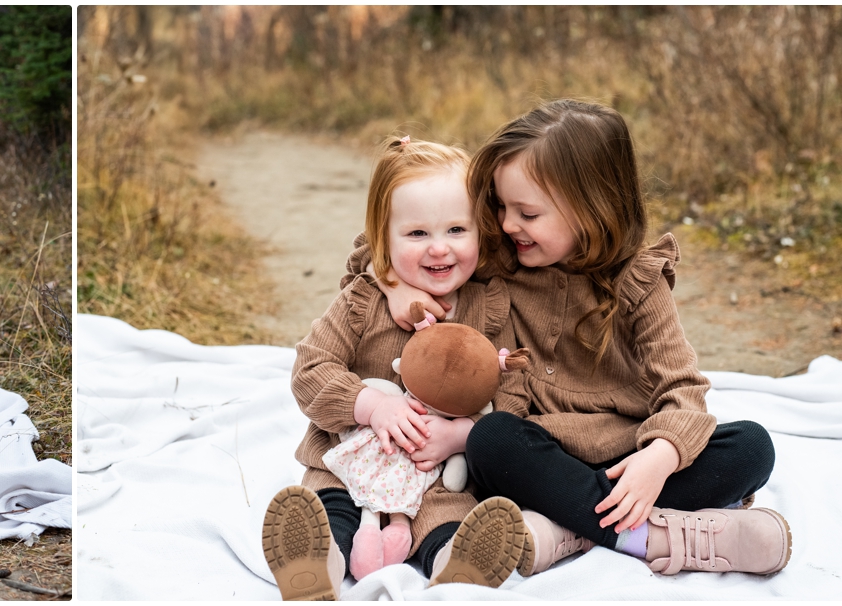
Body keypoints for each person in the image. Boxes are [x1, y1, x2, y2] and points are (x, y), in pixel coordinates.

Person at [380, 99, 788, 587]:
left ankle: (564, 528)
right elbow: (383, 242)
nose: (508, 224)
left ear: (592, 209)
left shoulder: (639, 282)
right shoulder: (504, 258)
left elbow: (682, 387)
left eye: (527, 212)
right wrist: (393, 284)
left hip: (628, 459)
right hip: (539, 452)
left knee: (751, 447)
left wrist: (659, 458)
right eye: (502, 207)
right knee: (490, 440)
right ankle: (653, 538)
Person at [263, 137, 511, 600]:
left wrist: (465, 433)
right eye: (417, 234)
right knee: (332, 504)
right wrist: (370, 405)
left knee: (446, 513)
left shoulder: (489, 308)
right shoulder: (362, 300)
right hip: (347, 459)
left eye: (457, 230)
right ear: (383, 239)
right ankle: (316, 564)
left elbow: (514, 389)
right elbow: (310, 368)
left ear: (482, 230)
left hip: (434, 468)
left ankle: (456, 566)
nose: (440, 249)